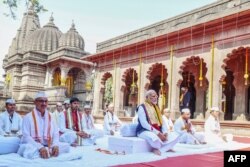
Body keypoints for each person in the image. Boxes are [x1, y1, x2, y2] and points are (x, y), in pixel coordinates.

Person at [18, 91, 70, 159]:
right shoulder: (28, 117)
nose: (44, 103)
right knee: (29, 150)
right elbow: (26, 136)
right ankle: (46, 152)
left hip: (48, 144)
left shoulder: (51, 116)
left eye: (46, 101)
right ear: (35, 102)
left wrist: (55, 145)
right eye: (41, 101)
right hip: (33, 145)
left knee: (66, 146)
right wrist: (40, 147)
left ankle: (47, 151)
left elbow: (55, 133)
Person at [136, 90, 180, 156]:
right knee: (155, 139)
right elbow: (144, 124)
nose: (156, 98)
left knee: (177, 136)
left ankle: (160, 149)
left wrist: (165, 132)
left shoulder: (156, 107)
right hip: (144, 131)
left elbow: (162, 122)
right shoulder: (142, 107)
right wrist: (158, 133)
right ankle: (166, 147)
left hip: (159, 131)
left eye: (156, 96)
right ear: (147, 97)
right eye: (153, 96)